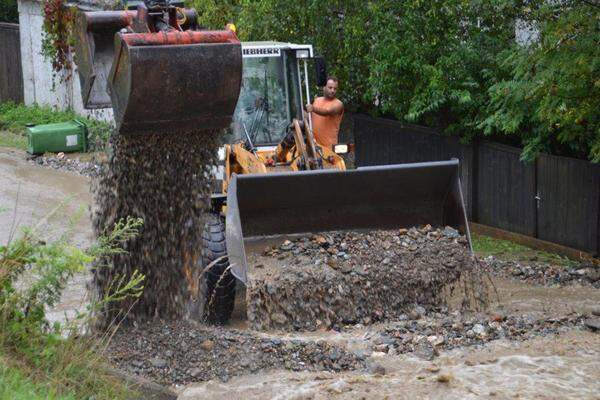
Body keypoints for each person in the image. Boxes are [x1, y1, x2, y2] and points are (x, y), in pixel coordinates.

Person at [306, 77, 344, 148]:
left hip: (329, 147)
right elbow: (309, 119)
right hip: (314, 146)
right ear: (324, 87)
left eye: (335, 89)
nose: (333, 90)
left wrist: (313, 108)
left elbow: (327, 112)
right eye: (330, 87)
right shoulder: (317, 100)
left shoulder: (338, 104)